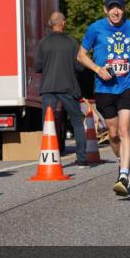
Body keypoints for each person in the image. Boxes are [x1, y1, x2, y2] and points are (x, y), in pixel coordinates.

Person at [78, 0, 130, 196]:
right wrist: (98, 69)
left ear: (124, 9)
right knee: (114, 134)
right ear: (105, 9)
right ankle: (122, 161)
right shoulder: (95, 29)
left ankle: (124, 175)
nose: (115, 11)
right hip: (104, 87)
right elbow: (81, 55)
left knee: (125, 129)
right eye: (111, 8)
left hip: (128, 84)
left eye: (119, 7)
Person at [33, 11, 88, 167]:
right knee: (77, 121)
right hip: (68, 87)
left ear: (51, 24)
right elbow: (80, 67)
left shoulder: (43, 43)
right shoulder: (72, 43)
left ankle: (49, 158)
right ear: (63, 23)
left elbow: (38, 67)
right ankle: (82, 158)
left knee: (48, 123)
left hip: (48, 87)